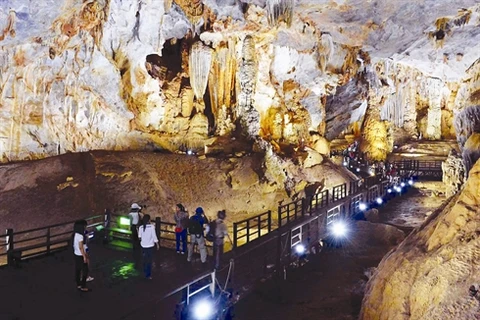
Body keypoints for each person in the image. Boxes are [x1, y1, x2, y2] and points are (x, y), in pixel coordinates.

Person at [138, 214, 159, 279]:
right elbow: (154, 236)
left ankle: (144, 272)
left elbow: (139, 237)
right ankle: (148, 274)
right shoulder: (152, 227)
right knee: (149, 260)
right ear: (149, 220)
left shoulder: (141, 227)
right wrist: (157, 244)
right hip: (150, 246)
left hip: (143, 246)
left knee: (144, 260)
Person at [72, 220, 91, 292]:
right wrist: (84, 256)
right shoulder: (80, 236)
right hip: (80, 255)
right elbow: (81, 247)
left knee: (77, 270)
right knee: (85, 270)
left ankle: (78, 284)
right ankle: (83, 286)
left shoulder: (75, 234)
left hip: (76, 254)